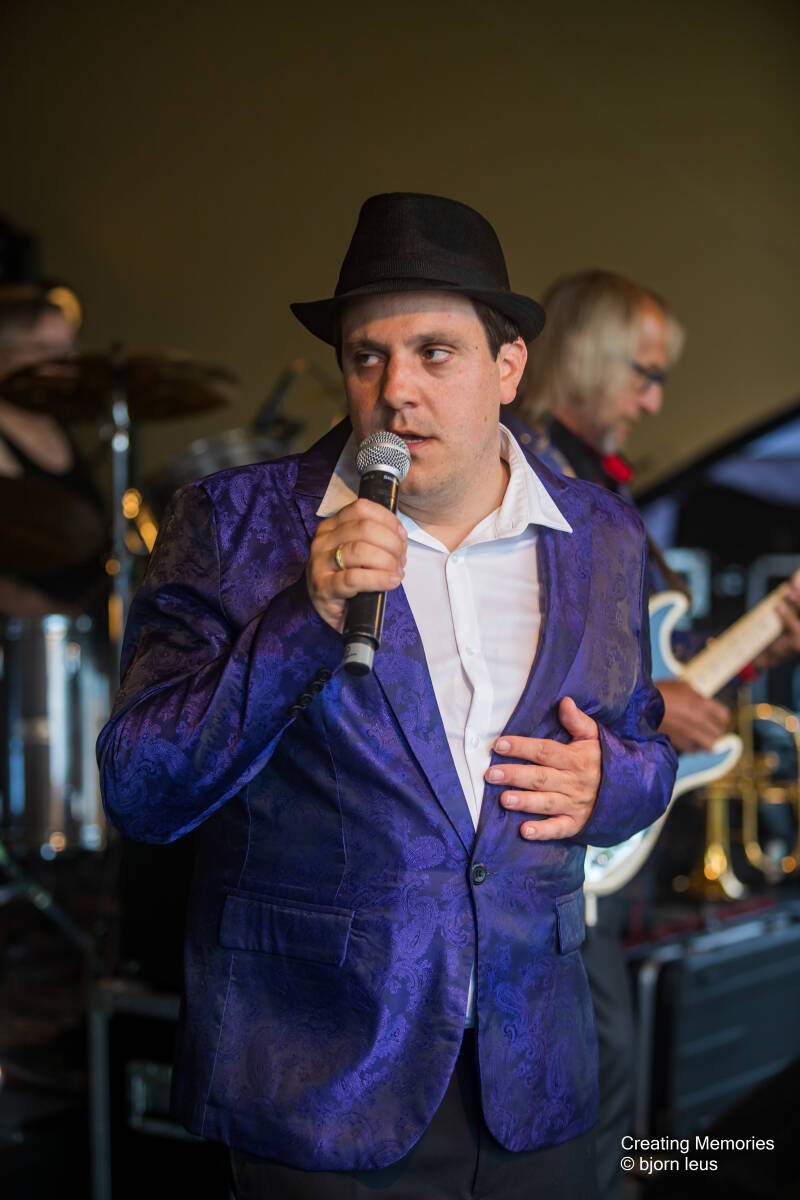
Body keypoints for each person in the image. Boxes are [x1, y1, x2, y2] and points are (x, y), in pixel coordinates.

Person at [97, 194, 677, 1200]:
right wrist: (305, 618)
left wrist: (610, 786)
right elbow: (141, 785)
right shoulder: (231, 525)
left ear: (508, 366)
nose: (395, 389)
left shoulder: (601, 534)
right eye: (367, 356)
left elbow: (646, 747)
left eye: (434, 353)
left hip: (534, 1072)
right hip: (318, 1079)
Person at [511, 269, 800, 1199]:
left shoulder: (603, 486)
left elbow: (658, 668)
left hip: (607, 815)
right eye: (644, 374)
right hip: (542, 820)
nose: (653, 401)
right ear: (590, 358)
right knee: (594, 1064)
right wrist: (649, 700)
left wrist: (754, 649)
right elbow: (528, 654)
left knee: (610, 1066)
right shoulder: (529, 472)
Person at [0, 288, 105, 616]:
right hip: (27, 633)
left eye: (69, 349)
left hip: (86, 623)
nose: (66, 365)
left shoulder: (73, 428)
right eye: (46, 350)